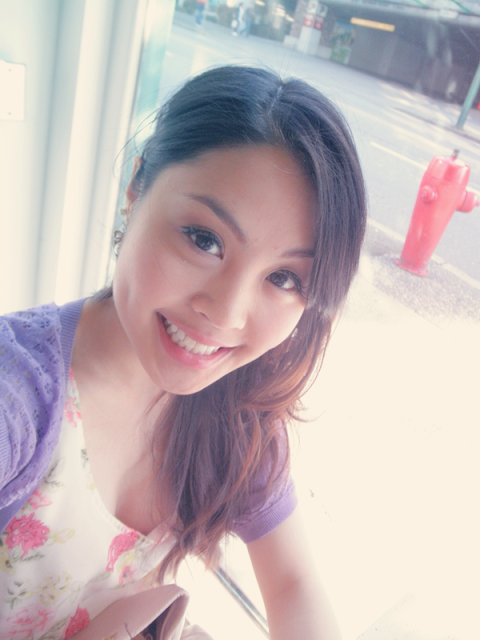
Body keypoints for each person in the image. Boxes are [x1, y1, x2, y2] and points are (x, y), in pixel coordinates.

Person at [0, 66, 366, 639]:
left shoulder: (239, 417)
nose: (226, 314)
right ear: (135, 190)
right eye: (204, 239)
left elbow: (294, 584)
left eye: (284, 278)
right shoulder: (19, 396)